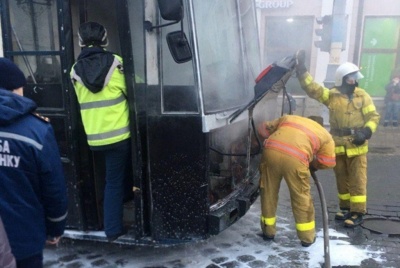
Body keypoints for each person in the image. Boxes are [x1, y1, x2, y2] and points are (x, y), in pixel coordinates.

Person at [295, 50, 381, 227]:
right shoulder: (331, 95)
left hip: (358, 144)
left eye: (355, 78)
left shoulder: (362, 96)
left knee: (358, 179)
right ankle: (345, 207)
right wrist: (302, 70)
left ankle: (357, 212)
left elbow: (373, 117)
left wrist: (365, 132)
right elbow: (313, 89)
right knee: (341, 178)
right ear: (342, 79)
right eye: (351, 78)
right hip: (338, 145)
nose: (355, 81)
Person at [0, 57, 68, 267]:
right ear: (17, 88)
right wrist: (55, 228)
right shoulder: (36, 131)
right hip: (24, 240)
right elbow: (53, 189)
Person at [70, 22, 131, 241]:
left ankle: (118, 204)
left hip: (94, 139)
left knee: (108, 178)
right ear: (105, 40)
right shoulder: (117, 63)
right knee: (115, 180)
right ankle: (113, 229)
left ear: (80, 41)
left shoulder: (74, 70)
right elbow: (132, 90)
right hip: (120, 135)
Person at [257, 115, 336, 247]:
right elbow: (328, 162)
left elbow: (263, 129)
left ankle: (268, 231)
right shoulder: (326, 136)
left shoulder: (290, 119)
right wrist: (313, 166)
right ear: (320, 125)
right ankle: (307, 238)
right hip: (296, 160)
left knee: (268, 193)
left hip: (270, 152)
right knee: (301, 197)